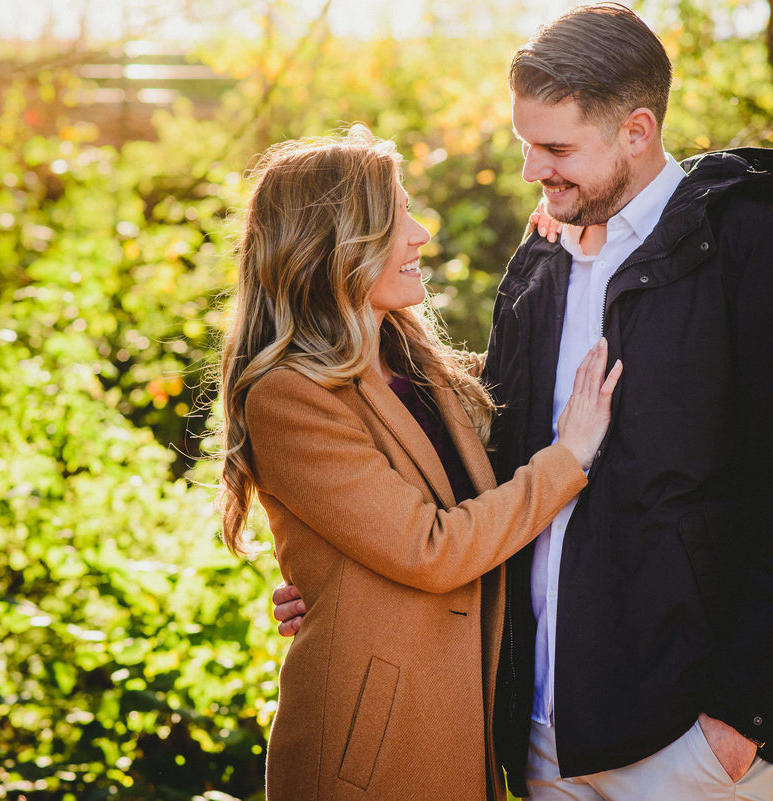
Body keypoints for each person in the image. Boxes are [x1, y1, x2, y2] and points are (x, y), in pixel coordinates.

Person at [273, 4, 773, 800]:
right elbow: (484, 450)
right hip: (537, 734)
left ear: (637, 131)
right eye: (526, 144)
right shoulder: (541, 259)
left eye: (555, 149)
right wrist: (352, 574)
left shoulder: (757, 255)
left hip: (682, 743)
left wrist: (742, 720)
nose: (531, 172)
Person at [219, 126, 622, 801]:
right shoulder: (289, 398)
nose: (421, 235)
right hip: (373, 754)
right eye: (399, 215)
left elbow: (514, 405)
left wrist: (545, 262)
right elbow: (431, 547)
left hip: (457, 723)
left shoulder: (411, 358)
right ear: (338, 245)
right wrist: (570, 457)